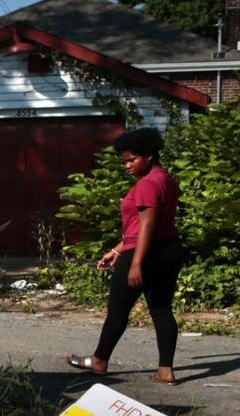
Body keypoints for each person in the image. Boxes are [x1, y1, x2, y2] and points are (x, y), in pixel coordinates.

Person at [66, 127, 185, 385]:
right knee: (161, 308)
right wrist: (117, 249)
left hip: (145, 252)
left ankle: (99, 360)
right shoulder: (167, 179)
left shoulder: (147, 185)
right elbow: (145, 227)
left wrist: (136, 263)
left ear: (150, 155)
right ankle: (166, 370)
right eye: (125, 161)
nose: (128, 165)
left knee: (118, 308)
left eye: (132, 160)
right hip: (170, 249)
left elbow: (148, 227)